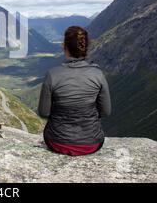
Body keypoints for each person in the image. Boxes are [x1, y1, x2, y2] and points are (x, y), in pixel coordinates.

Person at [38, 26, 111, 156]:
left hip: (57, 142)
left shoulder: (52, 74)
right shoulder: (98, 74)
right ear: (86, 47)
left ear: (64, 46)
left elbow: (44, 112)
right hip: (92, 143)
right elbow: (106, 111)